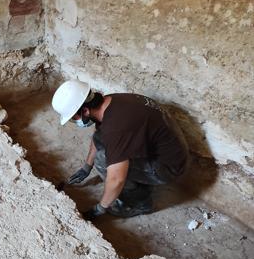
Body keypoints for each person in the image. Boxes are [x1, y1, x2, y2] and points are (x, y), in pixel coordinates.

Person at [52, 80, 189, 220]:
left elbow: (116, 179)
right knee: (103, 142)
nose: (75, 121)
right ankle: (139, 182)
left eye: (74, 117)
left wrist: (100, 209)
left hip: (168, 167)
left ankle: (140, 203)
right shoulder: (110, 102)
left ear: (85, 111)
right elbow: (99, 136)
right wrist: (86, 167)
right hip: (166, 146)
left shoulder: (116, 128)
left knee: (103, 160)